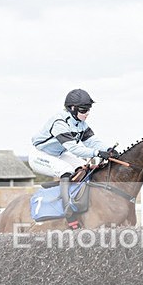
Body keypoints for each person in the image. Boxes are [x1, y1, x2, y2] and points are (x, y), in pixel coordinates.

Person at [28, 88, 116, 228]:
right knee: (66, 170)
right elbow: (75, 148)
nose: (87, 113)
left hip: (59, 154)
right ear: (72, 108)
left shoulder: (80, 124)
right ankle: (68, 211)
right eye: (83, 110)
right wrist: (97, 153)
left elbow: (93, 141)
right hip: (40, 155)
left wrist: (109, 149)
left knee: (83, 168)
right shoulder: (59, 123)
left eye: (88, 109)